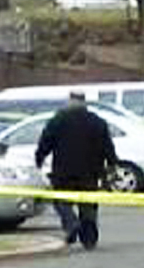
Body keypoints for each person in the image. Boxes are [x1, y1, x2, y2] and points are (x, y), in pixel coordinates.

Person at [35, 91, 119, 250]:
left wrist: (39, 158)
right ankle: (89, 238)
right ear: (84, 102)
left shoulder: (58, 120)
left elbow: (45, 141)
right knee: (88, 204)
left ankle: (71, 223)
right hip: (90, 171)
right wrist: (112, 164)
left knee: (61, 201)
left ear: (70, 101)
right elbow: (107, 146)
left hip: (64, 170)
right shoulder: (97, 122)